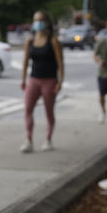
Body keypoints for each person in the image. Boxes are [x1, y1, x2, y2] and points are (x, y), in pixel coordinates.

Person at [19, 10, 64, 153]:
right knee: (27, 109)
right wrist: (23, 79)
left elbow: (60, 63)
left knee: (49, 111)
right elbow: (26, 61)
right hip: (34, 79)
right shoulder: (30, 41)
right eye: (35, 20)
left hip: (49, 80)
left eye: (40, 20)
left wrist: (60, 82)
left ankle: (48, 139)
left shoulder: (53, 41)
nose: (37, 23)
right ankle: (28, 140)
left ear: (46, 23)